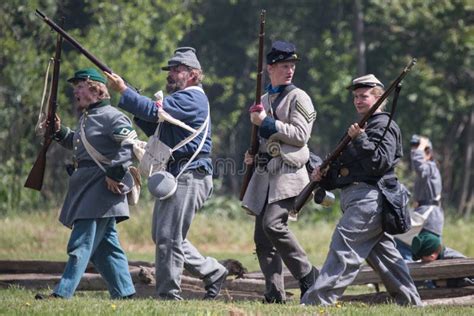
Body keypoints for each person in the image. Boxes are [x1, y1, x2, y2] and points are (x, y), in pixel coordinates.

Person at [106, 47, 228, 300]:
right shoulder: (181, 100)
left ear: (193, 75)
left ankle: (168, 295)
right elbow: (154, 125)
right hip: (179, 173)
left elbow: (153, 111)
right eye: (170, 70)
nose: (171, 74)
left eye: (177, 70)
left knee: (168, 238)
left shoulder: (191, 98)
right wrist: (133, 100)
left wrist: (124, 92)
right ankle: (213, 271)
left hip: (189, 173)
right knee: (164, 236)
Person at [301, 74, 422, 306]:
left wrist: (361, 138)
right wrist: (323, 177)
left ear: (378, 97)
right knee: (387, 259)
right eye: (356, 96)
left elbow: (379, 163)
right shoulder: (361, 128)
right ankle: (411, 303)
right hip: (357, 198)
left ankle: (317, 302)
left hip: (370, 199)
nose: (358, 100)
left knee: (343, 248)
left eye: (364, 96)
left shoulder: (385, 126)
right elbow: (348, 171)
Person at [35, 68, 136, 300]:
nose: (76, 92)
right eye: (75, 88)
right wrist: (59, 132)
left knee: (81, 243)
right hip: (87, 186)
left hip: (101, 187)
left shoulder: (113, 116)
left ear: (97, 90)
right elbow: (80, 144)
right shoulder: (87, 117)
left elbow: (129, 146)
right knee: (105, 247)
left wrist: (115, 173)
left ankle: (62, 293)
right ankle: (125, 293)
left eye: (80, 86)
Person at [242, 41, 318, 303]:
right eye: (284, 66)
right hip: (265, 174)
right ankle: (274, 293)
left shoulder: (300, 97)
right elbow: (263, 138)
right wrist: (252, 154)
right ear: (270, 68)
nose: (290, 71)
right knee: (262, 240)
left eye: (292, 66)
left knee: (273, 224)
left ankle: (307, 274)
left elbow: (300, 136)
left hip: (289, 173)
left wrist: (268, 122)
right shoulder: (262, 99)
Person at [395, 135, 444, 261]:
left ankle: (421, 279)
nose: (414, 153)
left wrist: (421, 147)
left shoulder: (430, 167)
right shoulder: (429, 168)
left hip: (429, 219)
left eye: (420, 150)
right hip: (424, 215)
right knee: (401, 241)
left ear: (428, 153)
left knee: (428, 255)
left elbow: (420, 168)